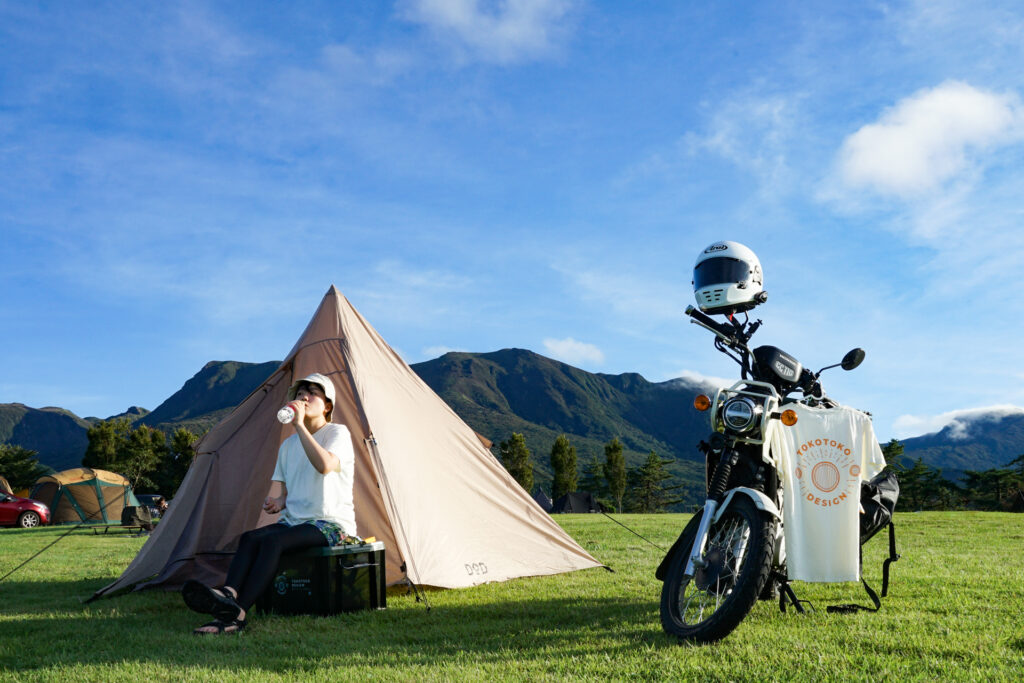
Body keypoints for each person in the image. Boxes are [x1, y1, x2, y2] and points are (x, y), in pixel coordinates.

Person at [182, 372, 357, 635]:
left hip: (330, 524)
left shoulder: (336, 433)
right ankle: (228, 595)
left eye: (312, 392)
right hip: (296, 522)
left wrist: (299, 425)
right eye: (299, 393)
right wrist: (279, 501)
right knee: (250, 538)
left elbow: (325, 466)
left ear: (328, 405)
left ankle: (238, 615)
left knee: (273, 542)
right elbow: (290, 489)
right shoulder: (288, 445)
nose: (303, 397)